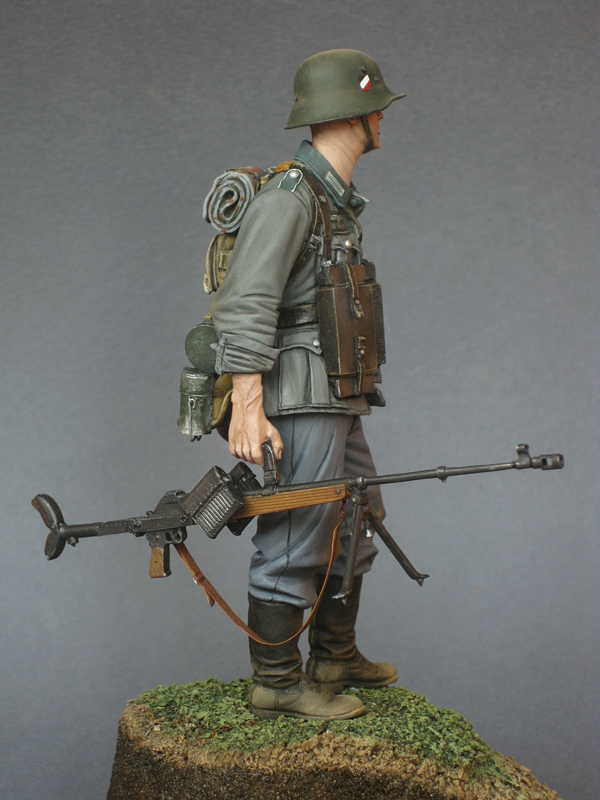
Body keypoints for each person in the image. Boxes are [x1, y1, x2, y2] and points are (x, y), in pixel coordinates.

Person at [211, 49, 405, 721]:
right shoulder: (289, 199)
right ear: (350, 114)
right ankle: (276, 681)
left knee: (356, 517)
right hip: (299, 394)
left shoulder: (331, 200)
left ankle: (333, 656)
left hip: (338, 391)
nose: (382, 116)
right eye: (375, 105)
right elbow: (246, 303)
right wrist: (247, 404)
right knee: (298, 531)